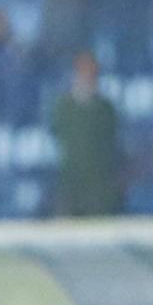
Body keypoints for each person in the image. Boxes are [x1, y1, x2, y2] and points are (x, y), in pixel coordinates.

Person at [51, 52, 124, 217]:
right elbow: (57, 135)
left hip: (100, 187)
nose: (88, 76)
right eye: (83, 71)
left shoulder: (106, 109)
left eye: (92, 72)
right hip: (71, 183)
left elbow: (111, 143)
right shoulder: (63, 107)